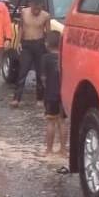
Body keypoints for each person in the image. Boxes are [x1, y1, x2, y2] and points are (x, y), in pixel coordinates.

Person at [14, 0, 50, 107]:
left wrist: (47, 46)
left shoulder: (45, 16)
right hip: (26, 44)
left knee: (40, 72)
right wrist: (18, 42)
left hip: (39, 44)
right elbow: (20, 28)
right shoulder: (24, 12)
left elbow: (48, 32)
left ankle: (40, 98)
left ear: (42, 6)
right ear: (30, 5)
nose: (36, 11)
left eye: (39, 8)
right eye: (34, 8)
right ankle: (17, 98)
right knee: (22, 72)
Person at [40, 30, 66, 162]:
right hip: (63, 95)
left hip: (50, 95)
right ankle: (63, 149)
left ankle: (49, 149)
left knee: (50, 122)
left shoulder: (45, 58)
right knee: (62, 122)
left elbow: (43, 78)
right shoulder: (65, 56)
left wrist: (46, 86)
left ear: (47, 44)